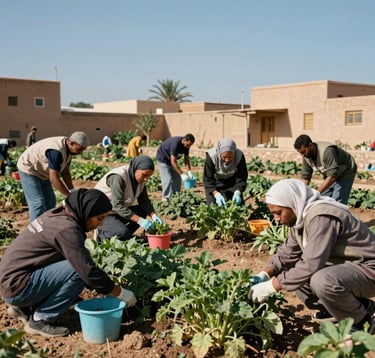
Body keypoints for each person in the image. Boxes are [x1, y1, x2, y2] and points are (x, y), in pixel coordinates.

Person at [0, 188, 137, 337]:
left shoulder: (60, 215)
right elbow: (87, 271)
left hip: (12, 280)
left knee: (77, 259)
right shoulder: (67, 229)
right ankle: (40, 320)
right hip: (17, 287)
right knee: (78, 270)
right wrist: (119, 293)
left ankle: (23, 308)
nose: (101, 224)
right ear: (86, 212)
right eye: (99, 218)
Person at [248, 178, 375, 334]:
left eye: (278, 213)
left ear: (292, 203)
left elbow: (310, 264)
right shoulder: (300, 218)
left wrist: (271, 287)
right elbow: (287, 253)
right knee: (294, 277)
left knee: (321, 280)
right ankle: (345, 308)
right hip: (350, 268)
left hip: (369, 269)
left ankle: (360, 322)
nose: (276, 219)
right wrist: (265, 275)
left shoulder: (322, 216)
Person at [17, 131, 90, 222]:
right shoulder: (56, 151)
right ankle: (36, 232)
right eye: (79, 149)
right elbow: (54, 178)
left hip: (42, 171)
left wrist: (72, 191)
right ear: (71, 143)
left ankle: (47, 226)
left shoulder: (69, 150)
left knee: (50, 200)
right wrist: (69, 197)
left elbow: (65, 172)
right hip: (29, 168)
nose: (80, 153)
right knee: (38, 203)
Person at [95, 155, 163, 241]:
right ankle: (102, 235)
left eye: (148, 176)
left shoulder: (140, 180)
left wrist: (154, 216)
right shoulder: (119, 177)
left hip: (116, 212)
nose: (146, 179)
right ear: (135, 168)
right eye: (144, 175)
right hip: (102, 213)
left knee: (142, 210)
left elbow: (144, 201)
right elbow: (117, 205)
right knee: (122, 232)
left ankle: (122, 235)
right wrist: (140, 221)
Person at [293, 134, 357, 204]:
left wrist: (316, 193)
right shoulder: (306, 156)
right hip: (331, 174)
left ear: (310, 145)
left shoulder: (327, 151)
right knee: (321, 200)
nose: (302, 155)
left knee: (337, 204)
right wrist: (301, 196)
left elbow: (332, 176)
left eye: (303, 152)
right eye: (300, 153)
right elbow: (305, 178)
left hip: (345, 171)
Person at [203, 138, 248, 206]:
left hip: (232, 182)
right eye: (224, 157)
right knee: (212, 207)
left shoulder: (239, 156)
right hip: (216, 182)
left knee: (237, 207)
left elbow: (242, 176)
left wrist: (237, 192)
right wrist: (216, 194)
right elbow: (208, 178)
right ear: (220, 153)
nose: (227, 160)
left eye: (230, 157)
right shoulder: (212, 156)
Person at [156, 134, 195, 201]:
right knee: (167, 179)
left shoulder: (186, 147)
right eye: (188, 145)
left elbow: (186, 160)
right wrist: (182, 174)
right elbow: (173, 162)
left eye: (190, 145)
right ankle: (165, 198)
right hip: (163, 159)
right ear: (184, 140)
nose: (188, 147)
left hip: (171, 160)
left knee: (177, 178)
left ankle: (175, 196)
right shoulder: (175, 144)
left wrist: (189, 172)